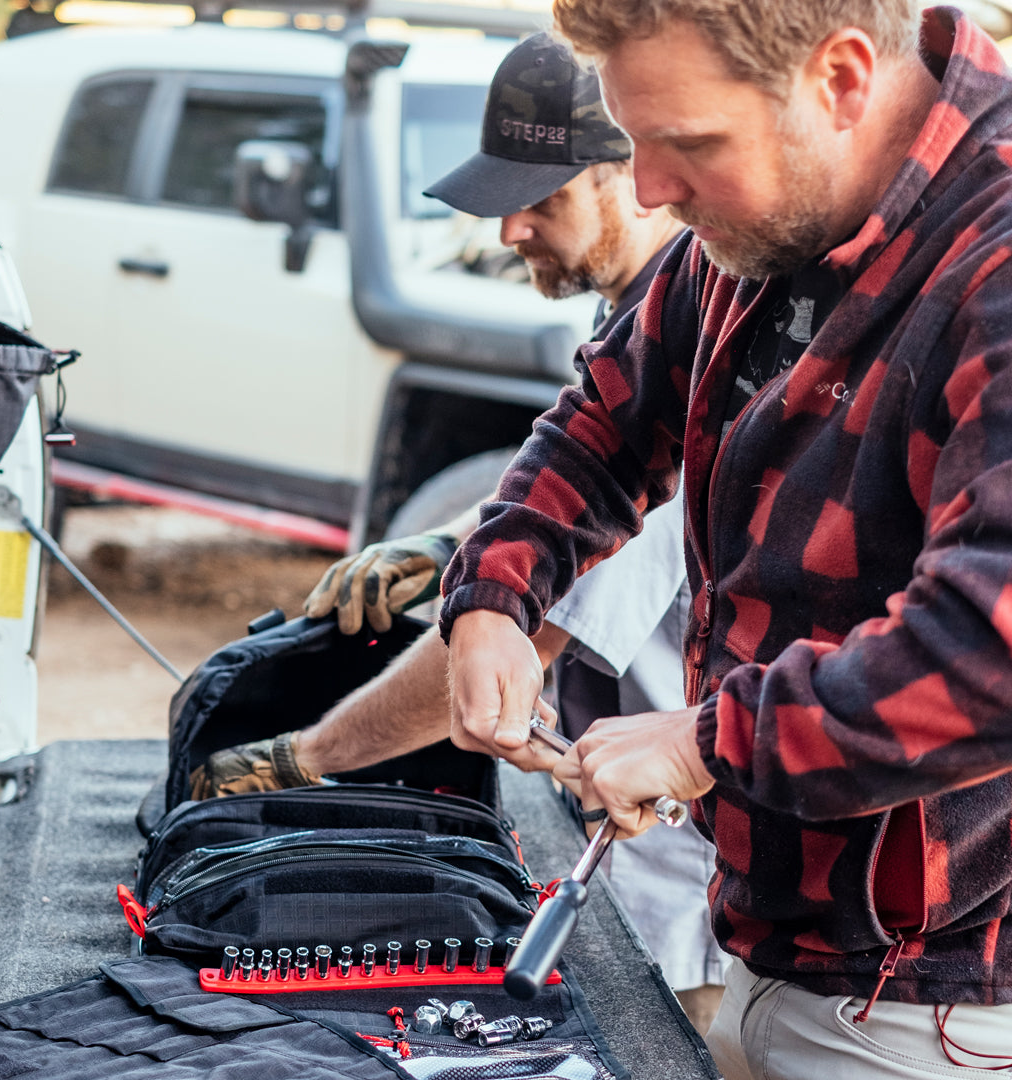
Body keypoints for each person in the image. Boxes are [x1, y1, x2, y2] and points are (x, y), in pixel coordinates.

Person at [438, 2, 1012, 1077]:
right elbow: (607, 419)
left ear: (840, 79)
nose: (649, 190)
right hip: (767, 947)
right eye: (635, 142)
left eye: (687, 145)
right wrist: (491, 596)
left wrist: (708, 740)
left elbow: (988, 651)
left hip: (941, 1013)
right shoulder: (765, 217)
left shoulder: (995, 262)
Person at [190, 32, 726, 1033]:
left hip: (687, 910)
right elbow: (561, 512)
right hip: (627, 856)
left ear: (634, 176)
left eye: (545, 197)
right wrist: (445, 551)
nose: (510, 226)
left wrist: (310, 757)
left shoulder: (696, 362)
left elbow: (518, 644)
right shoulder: (635, 323)